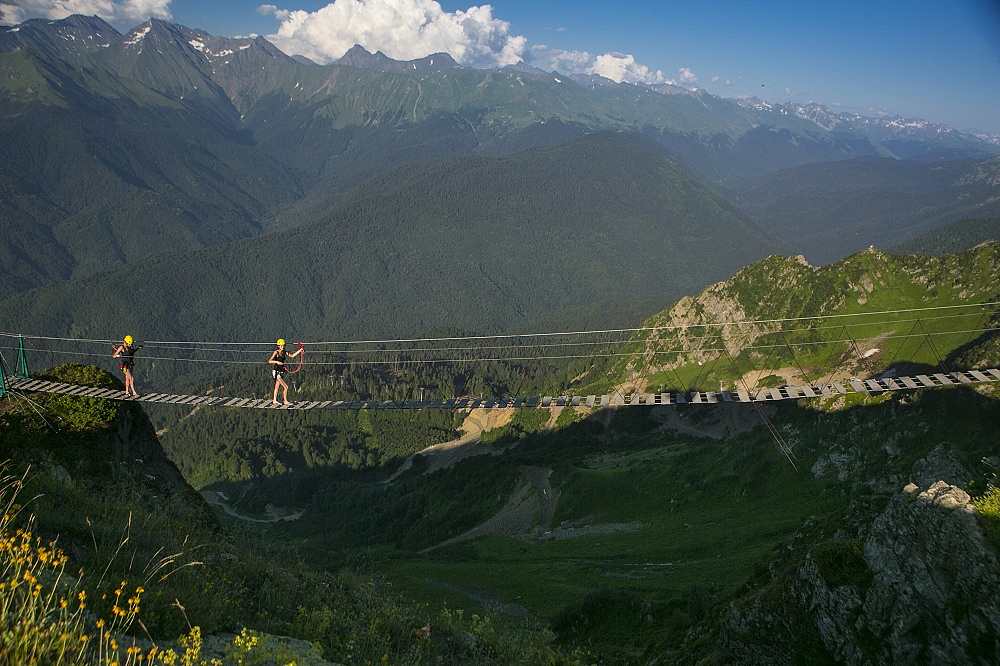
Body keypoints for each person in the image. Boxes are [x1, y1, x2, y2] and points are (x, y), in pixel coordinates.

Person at [269, 338, 303, 406]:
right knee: (286, 387)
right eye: (281, 345)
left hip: (281, 371)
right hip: (276, 372)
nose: (282, 347)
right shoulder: (276, 352)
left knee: (277, 386)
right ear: (278, 346)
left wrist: (299, 351)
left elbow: (292, 356)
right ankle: (285, 401)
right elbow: (269, 361)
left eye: (283, 345)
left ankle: (274, 400)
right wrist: (277, 362)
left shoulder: (284, 352)